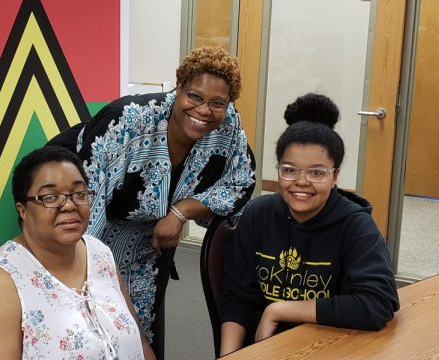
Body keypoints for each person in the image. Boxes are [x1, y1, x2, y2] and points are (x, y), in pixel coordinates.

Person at [47, 46, 256, 352]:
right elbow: (85, 198)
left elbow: (241, 182)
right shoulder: (128, 119)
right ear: (179, 88)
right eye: (195, 96)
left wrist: (181, 212)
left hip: (147, 236)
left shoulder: (228, 125)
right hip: (85, 215)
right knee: (84, 321)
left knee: (139, 325)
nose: (203, 110)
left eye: (217, 103)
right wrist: (91, 267)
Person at [218, 93, 400, 356]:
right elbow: (236, 296)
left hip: (330, 345)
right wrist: (228, 356)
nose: (301, 182)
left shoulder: (355, 225)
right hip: (267, 348)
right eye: (290, 169)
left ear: (335, 175)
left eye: (317, 172)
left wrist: (279, 309)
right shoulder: (259, 213)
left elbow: (377, 303)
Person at [0, 146, 156, 359]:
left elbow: (139, 343)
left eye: (79, 193)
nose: (69, 205)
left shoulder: (99, 252)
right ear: (22, 210)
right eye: (50, 197)